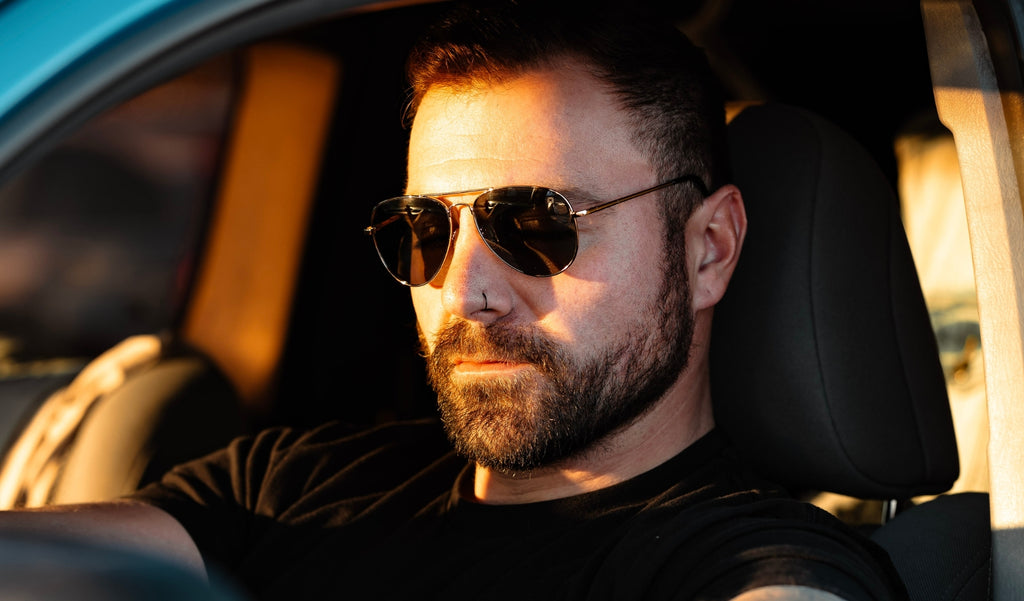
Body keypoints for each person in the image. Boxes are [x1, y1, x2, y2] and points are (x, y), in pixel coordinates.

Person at [0, 1, 908, 600]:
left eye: (537, 224)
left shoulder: (751, 563)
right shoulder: (285, 488)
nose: (462, 288)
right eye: (425, 229)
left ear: (708, 249)